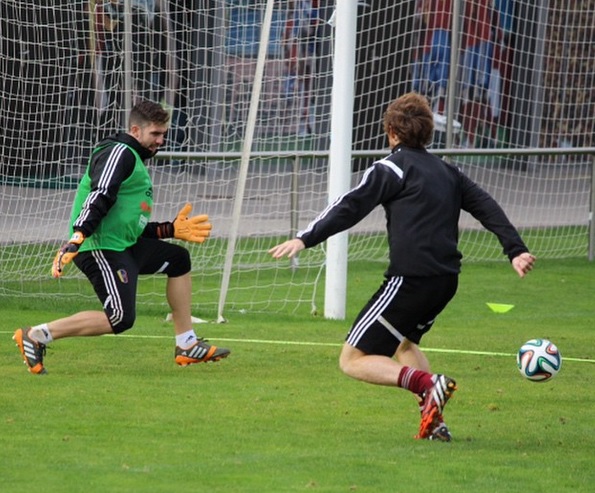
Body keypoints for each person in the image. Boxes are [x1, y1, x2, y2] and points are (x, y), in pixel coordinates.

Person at [269, 92, 535, 441]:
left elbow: (350, 205)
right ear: (427, 133)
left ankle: (429, 384)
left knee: (352, 359)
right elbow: (487, 207)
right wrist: (515, 250)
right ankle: (435, 421)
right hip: (445, 280)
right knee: (405, 344)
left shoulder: (390, 167)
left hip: (410, 279)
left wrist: (305, 238)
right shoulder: (448, 171)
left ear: (391, 131)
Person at [13, 100, 230, 375]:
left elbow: (129, 225)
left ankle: (186, 344)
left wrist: (169, 230)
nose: (161, 141)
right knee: (119, 318)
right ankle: (36, 336)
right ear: (136, 130)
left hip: (122, 245)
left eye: (164, 134)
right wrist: (78, 236)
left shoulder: (133, 158)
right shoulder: (120, 151)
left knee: (178, 259)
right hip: (99, 247)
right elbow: (100, 194)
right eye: (155, 134)